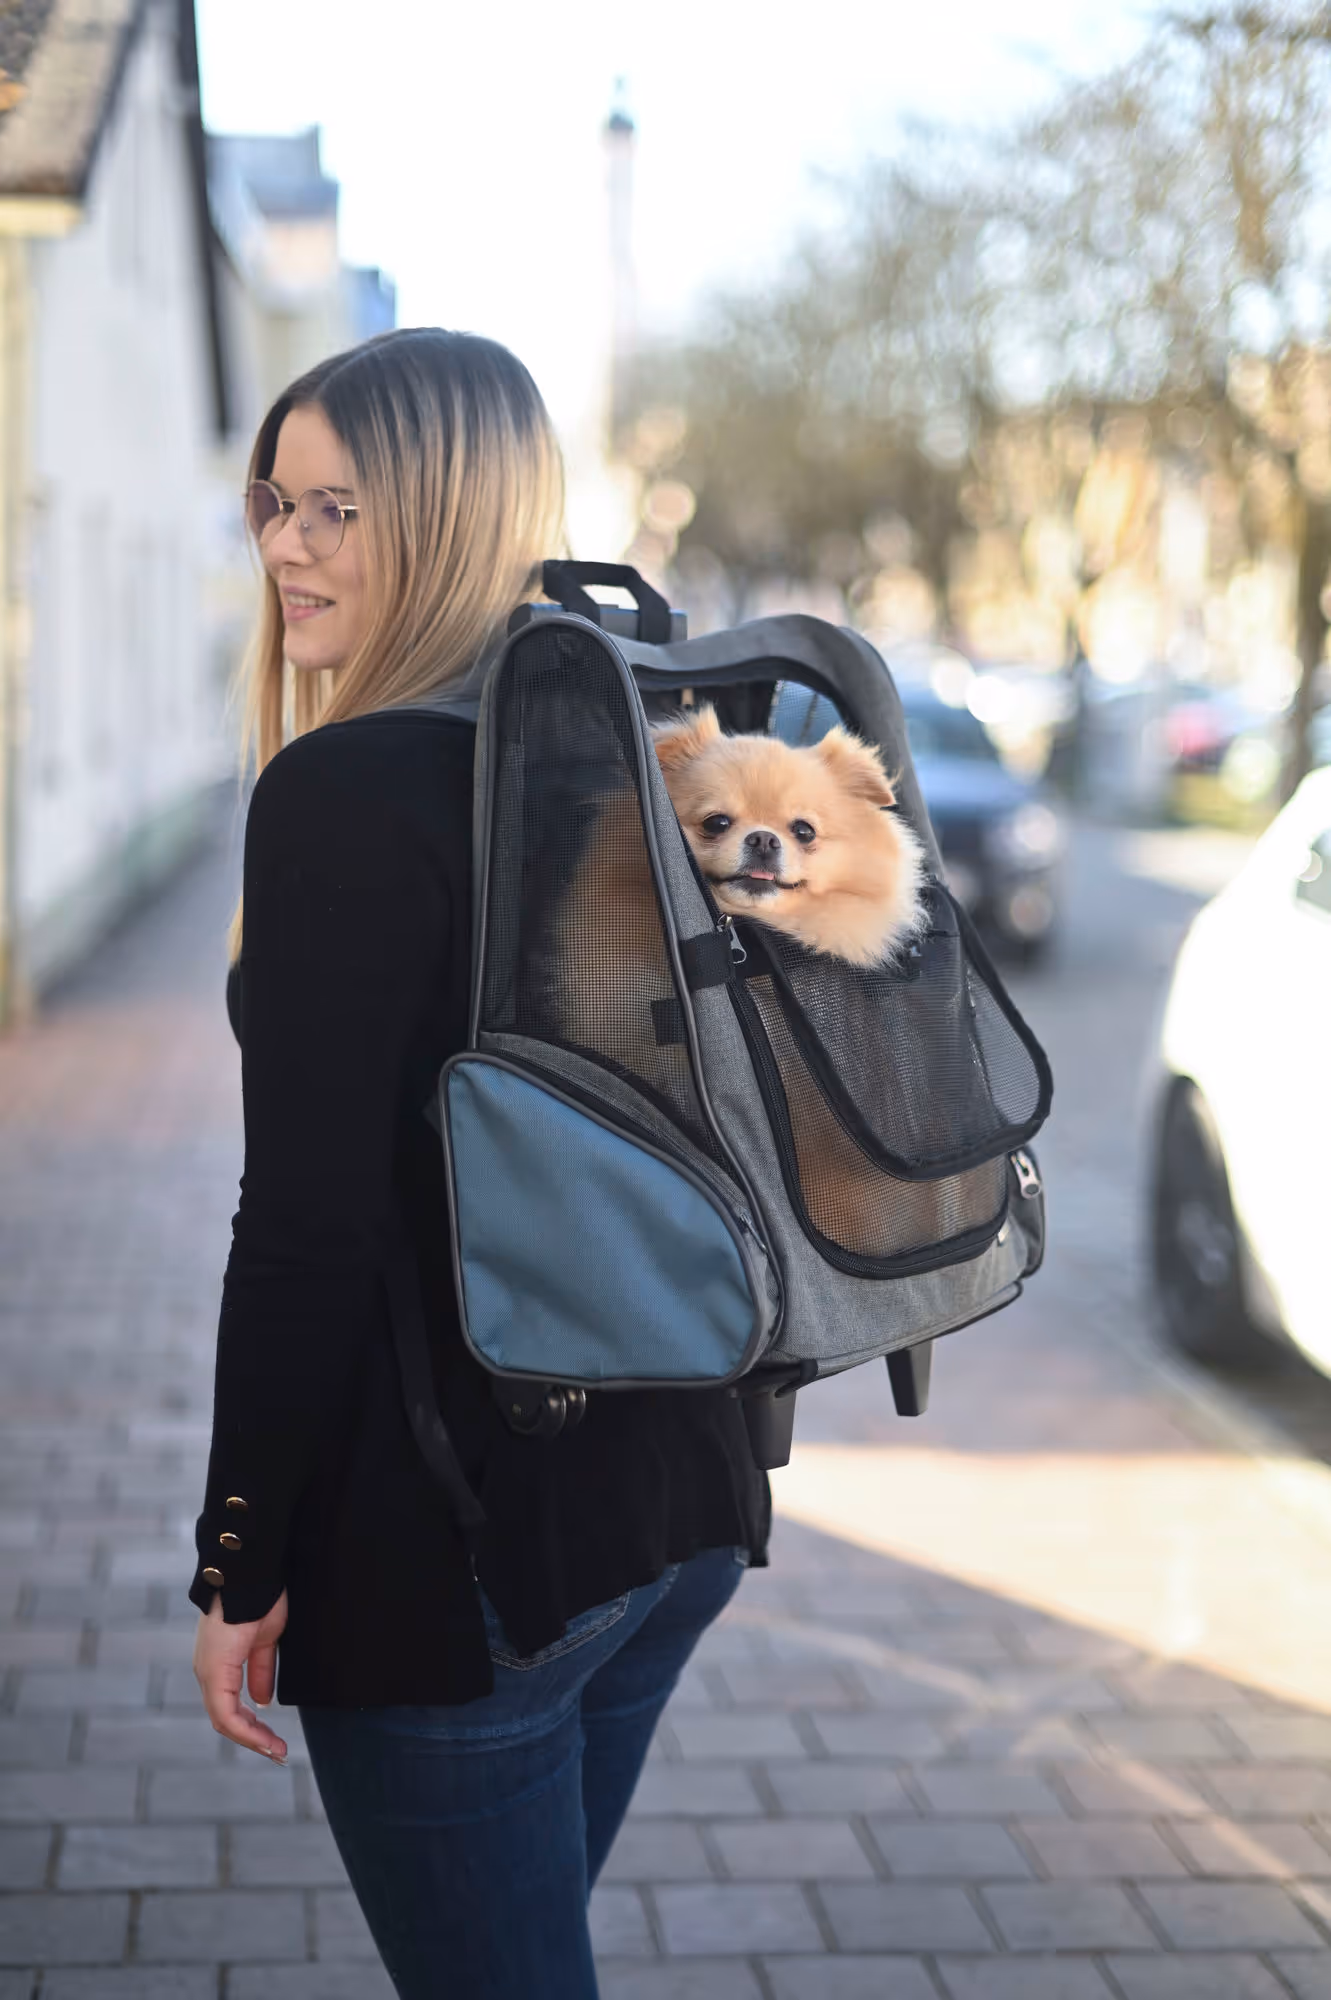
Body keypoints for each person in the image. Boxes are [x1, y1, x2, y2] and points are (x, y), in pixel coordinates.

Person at [188, 327, 770, 1999]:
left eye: (338, 510)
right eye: (274, 501)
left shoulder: (348, 789)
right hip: (677, 1507)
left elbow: (302, 1232)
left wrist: (239, 1557)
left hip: (471, 1562)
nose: (285, 546)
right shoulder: (630, 740)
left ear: (447, 516)